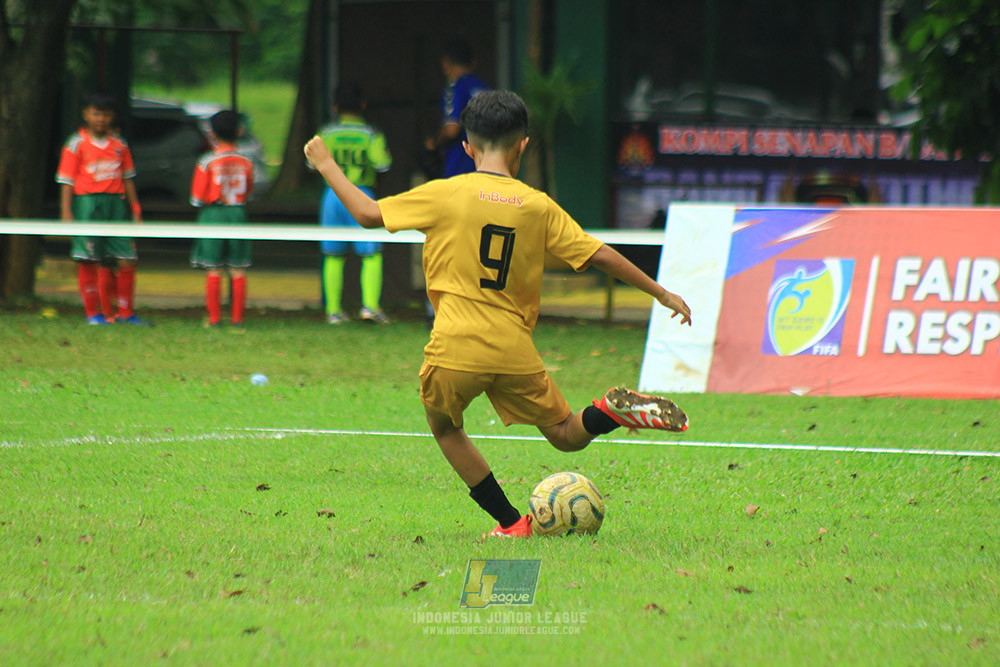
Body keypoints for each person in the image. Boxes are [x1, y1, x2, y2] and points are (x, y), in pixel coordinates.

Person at [305, 90, 692, 538]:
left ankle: (511, 522)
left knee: (446, 429)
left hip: (454, 347)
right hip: (514, 350)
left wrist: (326, 163)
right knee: (567, 434)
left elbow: (368, 213)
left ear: (467, 147)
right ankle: (609, 410)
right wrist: (661, 293)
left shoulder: (447, 193)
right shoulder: (537, 205)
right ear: (523, 145)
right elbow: (599, 254)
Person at [56, 91, 148, 325]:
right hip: (88, 204)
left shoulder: (119, 144)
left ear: (112, 117)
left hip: (115, 205)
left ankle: (126, 312)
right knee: (89, 259)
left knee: (126, 259)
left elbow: (127, 178)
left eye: (106, 115)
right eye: (96, 114)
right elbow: (67, 181)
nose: (101, 119)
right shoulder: (76, 144)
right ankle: (93, 313)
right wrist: (66, 213)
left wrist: (135, 209)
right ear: (86, 114)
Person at [315, 82, 393, 324]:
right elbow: (383, 164)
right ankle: (370, 306)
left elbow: (312, 163)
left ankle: (333, 311)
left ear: (335, 106)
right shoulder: (370, 134)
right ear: (362, 105)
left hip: (332, 194)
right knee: (371, 253)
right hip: (361, 192)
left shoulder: (326, 133)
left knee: (332, 254)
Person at [189, 110, 255, 331]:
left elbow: (196, 198)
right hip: (238, 214)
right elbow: (249, 192)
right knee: (238, 268)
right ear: (239, 131)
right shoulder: (246, 161)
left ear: (212, 133)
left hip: (213, 215)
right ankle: (238, 320)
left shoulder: (207, 161)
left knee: (213, 269)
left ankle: (214, 318)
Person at [427, 38, 491, 178]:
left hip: (461, 167)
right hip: (488, 166)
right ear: (473, 62)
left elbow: (451, 129)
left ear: (445, 63)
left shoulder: (455, 86)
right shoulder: (485, 88)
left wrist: (435, 143)